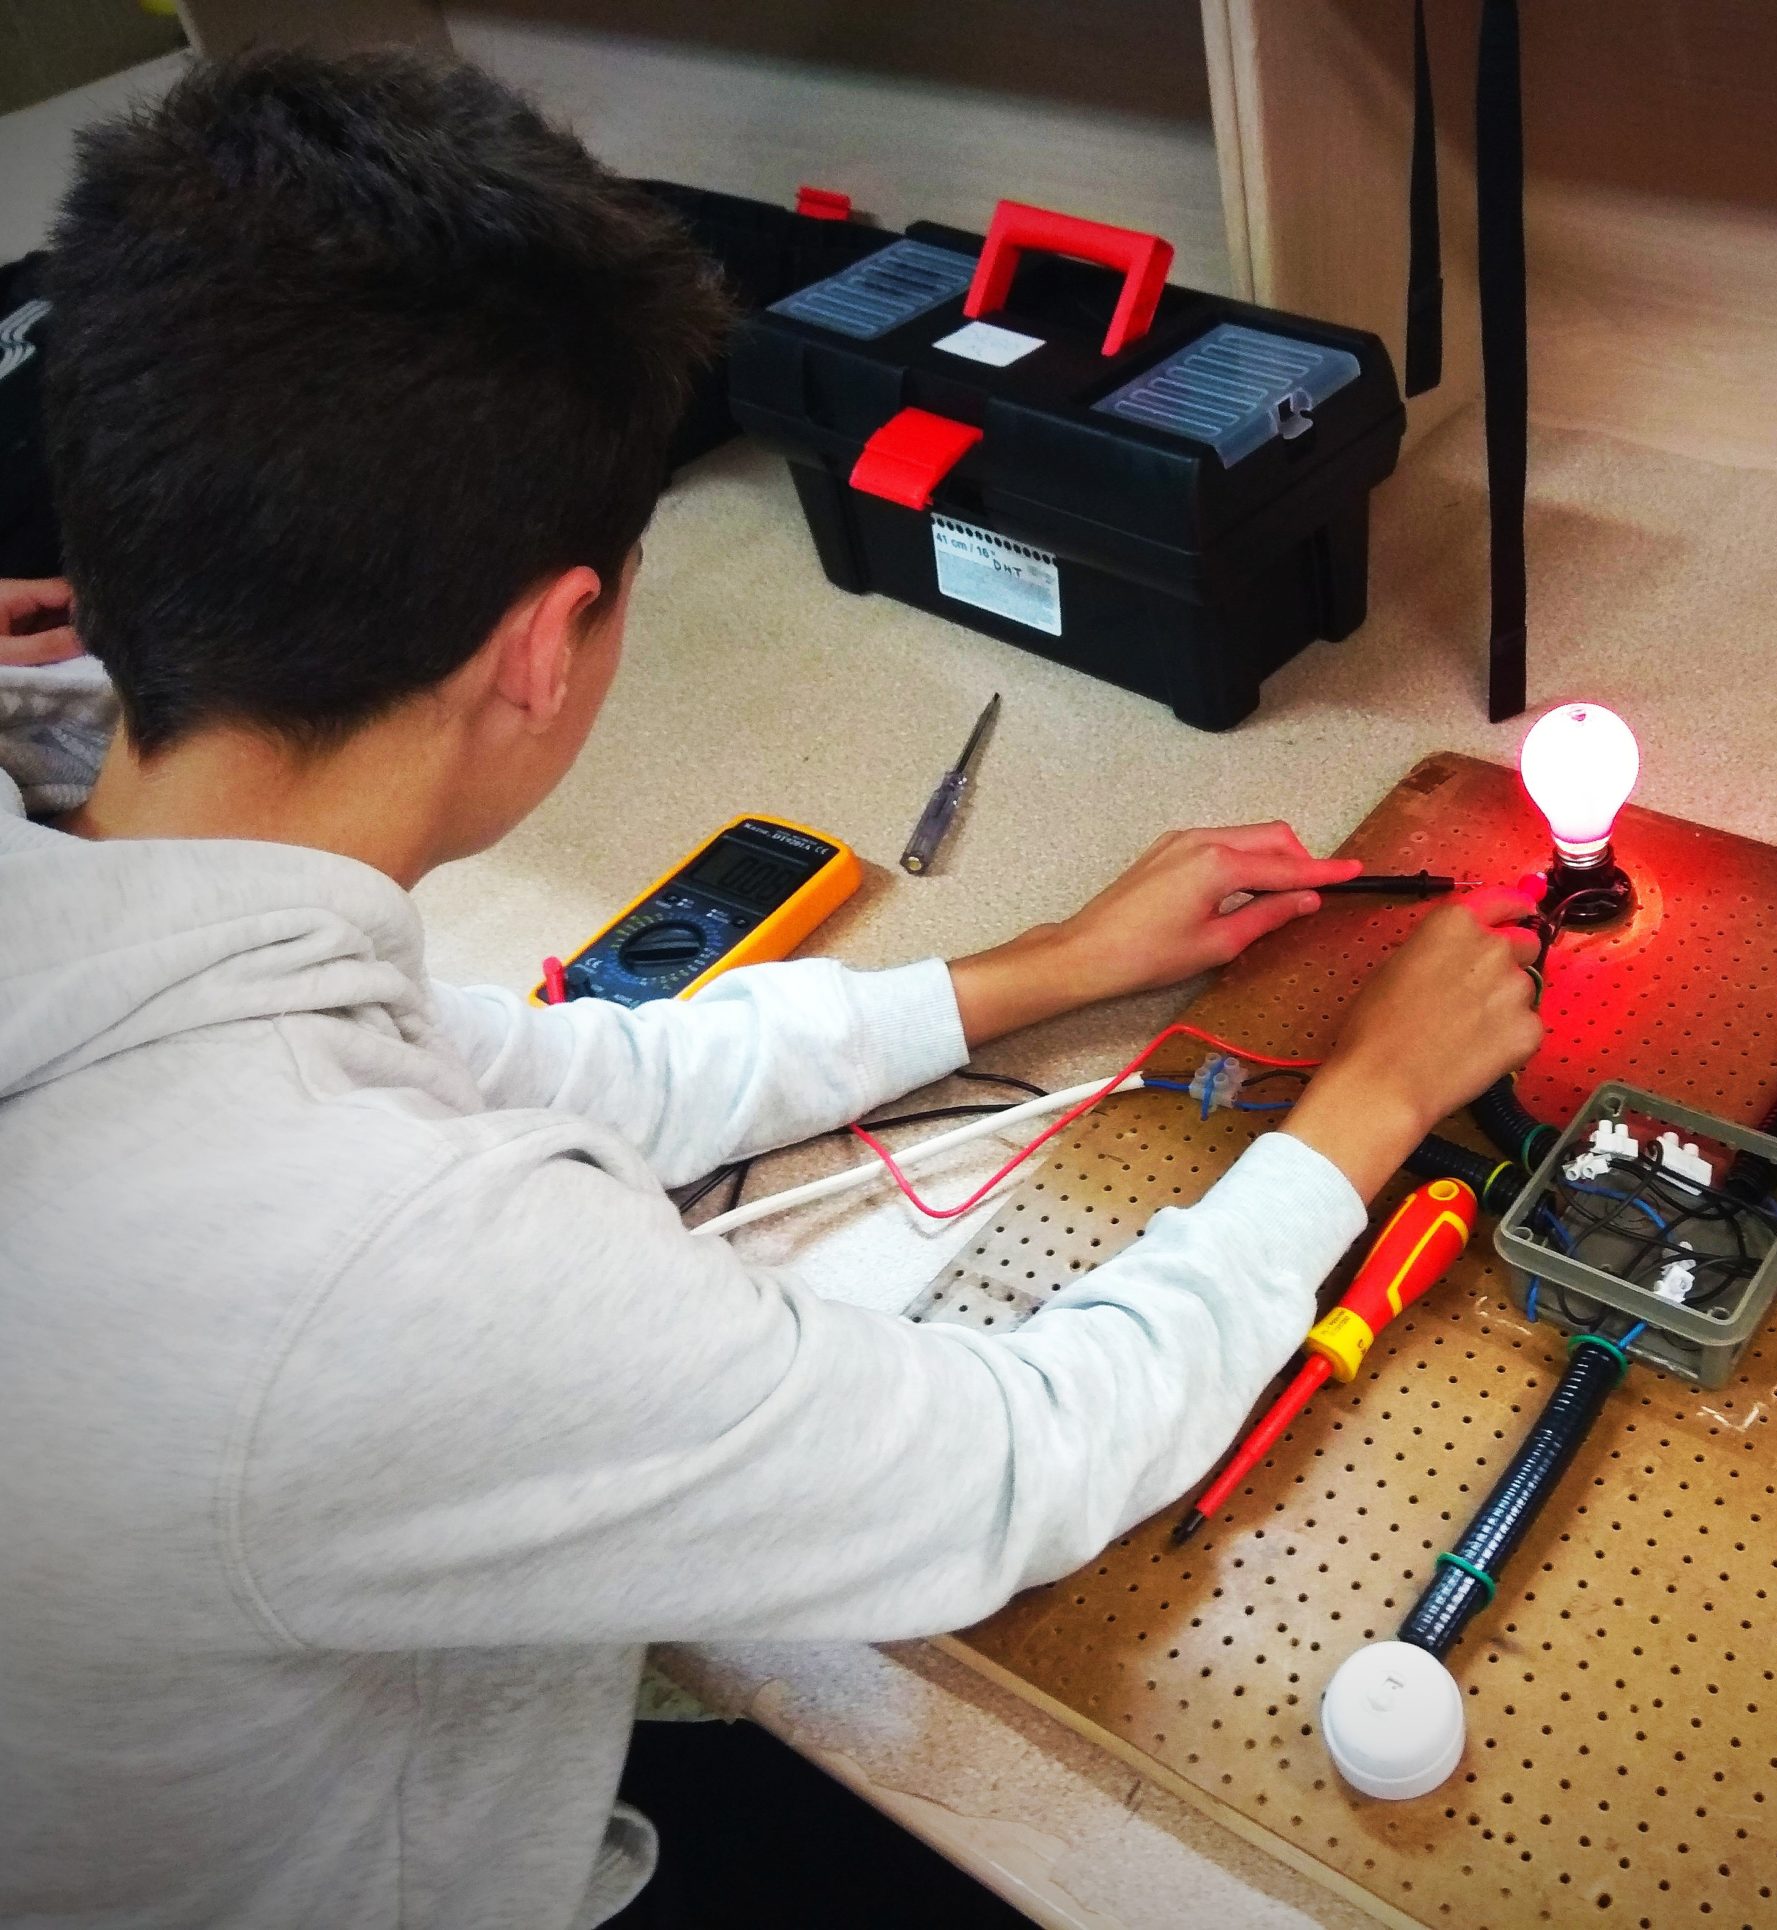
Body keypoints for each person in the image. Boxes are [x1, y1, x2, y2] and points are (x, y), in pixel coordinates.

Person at [0, 50, 1543, 1930]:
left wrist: (1048, 968)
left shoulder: (96, 892)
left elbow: (563, 1072)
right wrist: (1363, 1108)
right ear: (550, 644)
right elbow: (1016, 1466)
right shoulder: (366, 1267)